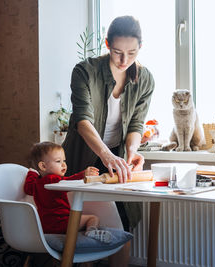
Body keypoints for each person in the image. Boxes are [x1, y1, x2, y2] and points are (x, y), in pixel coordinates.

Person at [62, 15, 154, 265]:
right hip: (84, 156)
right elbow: (83, 121)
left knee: (122, 225)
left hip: (116, 157)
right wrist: (106, 155)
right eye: (117, 52)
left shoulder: (145, 79)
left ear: (140, 47)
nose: (124, 60)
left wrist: (132, 151)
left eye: (132, 52)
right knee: (81, 222)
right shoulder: (85, 71)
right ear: (107, 44)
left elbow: (136, 123)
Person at [24, 141, 112, 243]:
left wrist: (32, 173)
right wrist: (83, 175)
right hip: (62, 223)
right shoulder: (52, 179)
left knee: (82, 217)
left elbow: (27, 188)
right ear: (43, 166)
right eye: (58, 161)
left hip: (45, 225)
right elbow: (68, 183)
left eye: (64, 160)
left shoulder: (36, 183)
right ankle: (91, 232)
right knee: (92, 218)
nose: (63, 165)